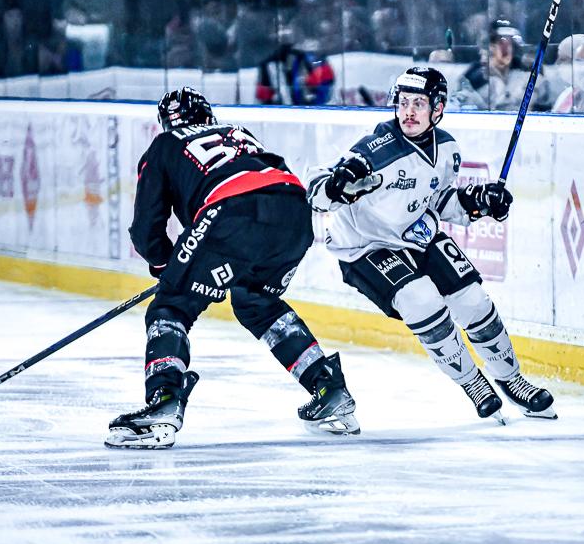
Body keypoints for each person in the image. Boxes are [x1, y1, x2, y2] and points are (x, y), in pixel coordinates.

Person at [106, 87, 360, 449]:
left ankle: (164, 401)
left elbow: (146, 229)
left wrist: (167, 269)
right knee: (256, 302)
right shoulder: (237, 133)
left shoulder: (164, 144)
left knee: (171, 306)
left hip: (231, 211)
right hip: (294, 213)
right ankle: (327, 386)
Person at [306, 67, 557, 423]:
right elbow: (317, 186)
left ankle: (512, 379)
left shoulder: (448, 148)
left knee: (473, 300)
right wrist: (336, 186)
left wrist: (478, 201)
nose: (408, 112)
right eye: (404, 102)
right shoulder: (376, 148)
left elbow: (439, 200)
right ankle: (473, 382)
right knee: (420, 299)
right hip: (365, 247)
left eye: (418, 104)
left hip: (416, 236)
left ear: (437, 109)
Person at [450, 19, 550, 111]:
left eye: (509, 42)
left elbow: (545, 110)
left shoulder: (530, 76)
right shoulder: (473, 79)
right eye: (499, 42)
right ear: (488, 47)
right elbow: (455, 108)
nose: (506, 48)